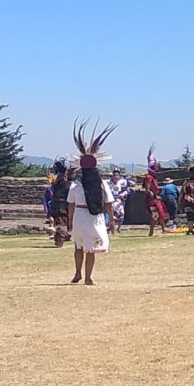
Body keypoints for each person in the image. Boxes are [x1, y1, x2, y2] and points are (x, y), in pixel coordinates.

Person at [67, 121, 117, 285]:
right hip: (94, 217)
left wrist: (69, 221)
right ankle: (88, 277)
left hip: (79, 217)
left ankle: (77, 274)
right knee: (91, 249)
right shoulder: (102, 184)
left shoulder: (76, 184)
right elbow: (108, 203)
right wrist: (112, 219)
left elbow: (71, 205)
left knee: (78, 246)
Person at [142, 146, 170, 236]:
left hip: (155, 199)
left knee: (161, 214)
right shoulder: (149, 178)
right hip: (152, 200)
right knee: (155, 215)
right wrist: (154, 196)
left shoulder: (153, 177)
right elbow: (147, 190)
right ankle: (151, 231)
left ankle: (163, 228)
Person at [47, 160, 72, 246]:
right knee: (61, 224)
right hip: (62, 206)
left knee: (60, 223)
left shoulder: (55, 184)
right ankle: (60, 239)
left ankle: (61, 237)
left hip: (57, 205)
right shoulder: (66, 185)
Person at [107, 169, 129, 233]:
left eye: (117, 175)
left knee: (122, 214)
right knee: (111, 215)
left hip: (119, 201)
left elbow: (127, 190)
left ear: (119, 176)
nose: (116, 177)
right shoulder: (108, 182)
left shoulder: (122, 182)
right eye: (114, 175)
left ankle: (119, 228)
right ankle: (110, 228)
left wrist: (123, 194)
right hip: (111, 201)